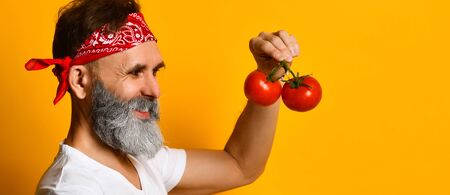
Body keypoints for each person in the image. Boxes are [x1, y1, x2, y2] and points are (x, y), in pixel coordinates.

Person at [26, 0, 300, 194]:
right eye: (135, 73)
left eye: (154, 72)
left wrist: (269, 77)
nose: (154, 90)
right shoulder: (73, 189)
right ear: (79, 80)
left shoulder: (141, 161)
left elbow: (241, 166)